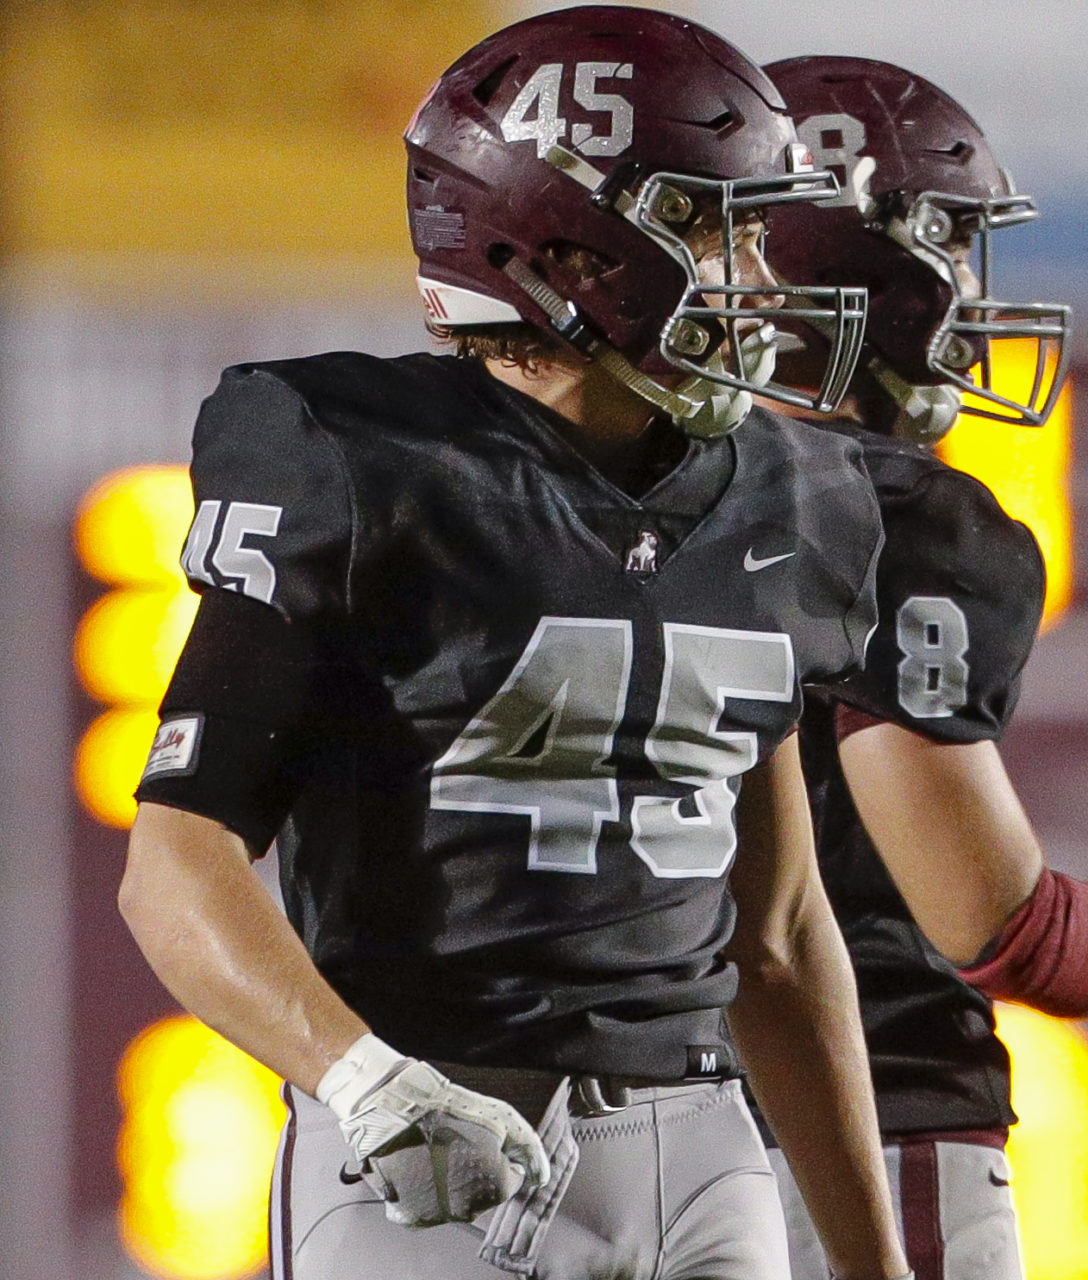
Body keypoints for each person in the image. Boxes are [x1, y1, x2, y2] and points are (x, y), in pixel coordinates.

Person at [118, 11, 912, 1280]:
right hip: (433, 1141)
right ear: (572, 247)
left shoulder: (795, 497)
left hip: (703, 1141)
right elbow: (174, 858)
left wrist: (879, 1264)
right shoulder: (368, 461)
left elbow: (776, 929)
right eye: (722, 227)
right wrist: (365, 1083)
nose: (762, 277)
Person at [754, 56, 1088, 1280]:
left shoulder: (559, 497)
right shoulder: (894, 519)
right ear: (872, 265)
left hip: (592, 1135)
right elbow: (995, 922)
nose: (970, 293)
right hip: (862, 1128)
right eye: (955, 247)